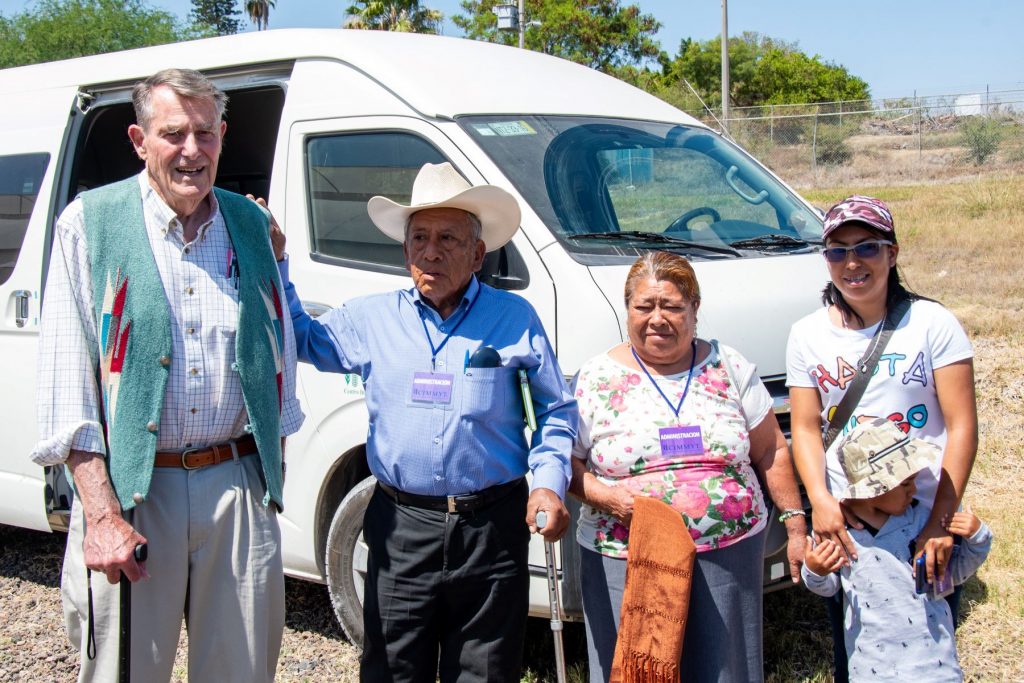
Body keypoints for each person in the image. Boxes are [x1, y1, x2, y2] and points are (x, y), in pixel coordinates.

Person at [32, 69, 303, 682]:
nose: (191, 151)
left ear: (223, 136)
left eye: (204, 134)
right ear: (138, 139)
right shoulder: (90, 223)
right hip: (133, 491)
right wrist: (100, 516)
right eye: (172, 133)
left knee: (241, 672)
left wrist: (265, 489)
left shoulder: (252, 226)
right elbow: (65, 389)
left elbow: (277, 360)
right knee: (123, 670)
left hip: (236, 483)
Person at [278, 161, 578, 683]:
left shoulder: (514, 318)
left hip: (492, 529)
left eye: (447, 238)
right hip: (401, 527)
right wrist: (277, 262)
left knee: (484, 671)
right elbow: (300, 338)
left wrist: (549, 484)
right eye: (419, 237)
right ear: (405, 249)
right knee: (392, 669)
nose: (431, 251)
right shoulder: (371, 318)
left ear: (478, 253)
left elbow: (555, 410)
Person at [569, 250, 807, 683]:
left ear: (695, 309)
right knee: (637, 670)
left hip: (727, 551)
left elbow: (771, 450)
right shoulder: (595, 377)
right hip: (626, 553)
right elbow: (569, 464)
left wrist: (794, 524)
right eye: (644, 306)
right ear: (628, 309)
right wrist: (606, 496)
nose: (657, 318)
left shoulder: (729, 366)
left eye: (672, 306)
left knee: (725, 667)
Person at [786, 195, 977, 681]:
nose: (852, 262)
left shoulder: (933, 324)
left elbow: (962, 426)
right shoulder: (807, 334)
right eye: (837, 250)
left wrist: (939, 521)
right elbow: (806, 427)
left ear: (892, 253)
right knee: (856, 642)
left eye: (867, 247)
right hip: (849, 523)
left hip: (919, 517)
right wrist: (821, 501)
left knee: (927, 640)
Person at [802, 417, 992, 682]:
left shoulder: (922, 525)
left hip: (936, 668)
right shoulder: (840, 534)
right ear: (873, 488)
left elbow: (950, 577)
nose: (914, 490)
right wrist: (815, 570)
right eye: (905, 484)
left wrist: (978, 538)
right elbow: (828, 588)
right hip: (872, 671)